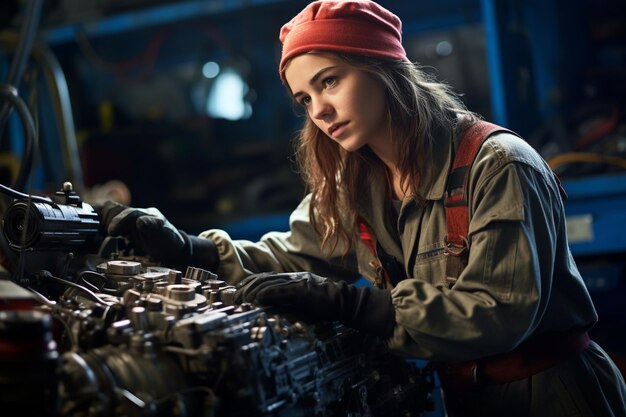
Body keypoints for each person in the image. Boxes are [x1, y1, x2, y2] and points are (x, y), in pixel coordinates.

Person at [96, 1, 626, 416]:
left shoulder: (498, 166)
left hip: (556, 395)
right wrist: (191, 250)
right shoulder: (358, 179)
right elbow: (292, 257)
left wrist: (356, 307)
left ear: (381, 69)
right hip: (466, 397)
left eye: (329, 81)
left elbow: (500, 312)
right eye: (305, 98)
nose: (319, 111)